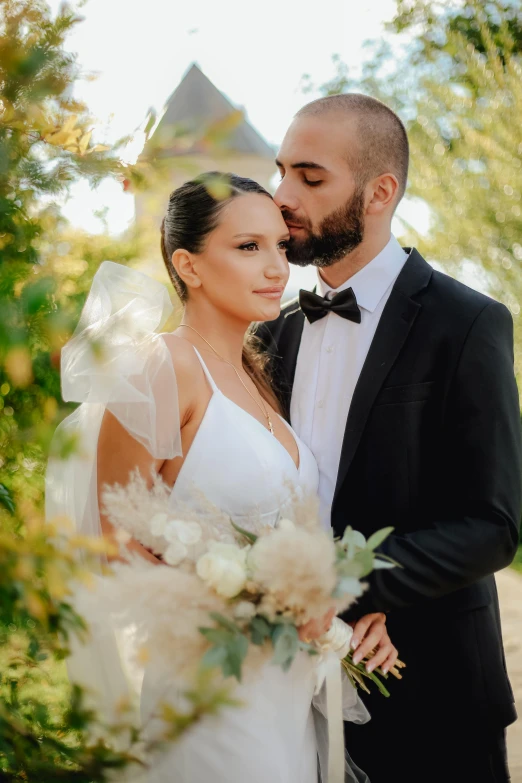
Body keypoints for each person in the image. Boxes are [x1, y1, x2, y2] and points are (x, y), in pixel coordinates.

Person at [46, 172, 397, 783]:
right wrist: (257, 602)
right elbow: (111, 546)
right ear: (189, 265)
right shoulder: (158, 367)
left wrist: (328, 606)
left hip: (284, 689)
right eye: (248, 247)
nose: (277, 268)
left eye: (281, 248)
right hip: (209, 694)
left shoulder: (260, 378)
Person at [256, 93, 522, 783]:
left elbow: (492, 524)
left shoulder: (468, 323)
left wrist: (354, 590)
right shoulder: (269, 336)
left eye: (311, 178)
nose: (282, 195)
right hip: (290, 698)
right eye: (281, 170)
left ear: (381, 192)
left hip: (430, 691)